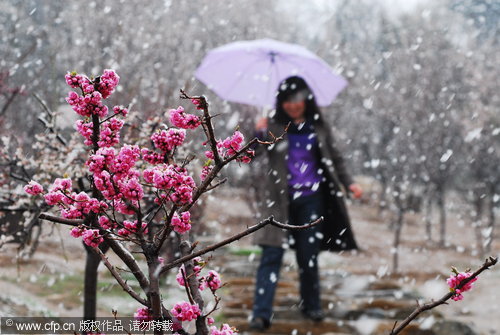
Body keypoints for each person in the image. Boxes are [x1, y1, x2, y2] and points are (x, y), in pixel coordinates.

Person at [249, 76, 362, 330]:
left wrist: (349, 183)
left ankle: (311, 305)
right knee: (271, 255)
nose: (293, 105)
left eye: (297, 99)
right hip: (278, 202)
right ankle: (260, 314)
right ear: (281, 102)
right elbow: (249, 154)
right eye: (287, 100)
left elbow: (335, 158)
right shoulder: (274, 125)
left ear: (306, 100)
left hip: (312, 200)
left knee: (308, 256)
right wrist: (257, 131)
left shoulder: (318, 126)